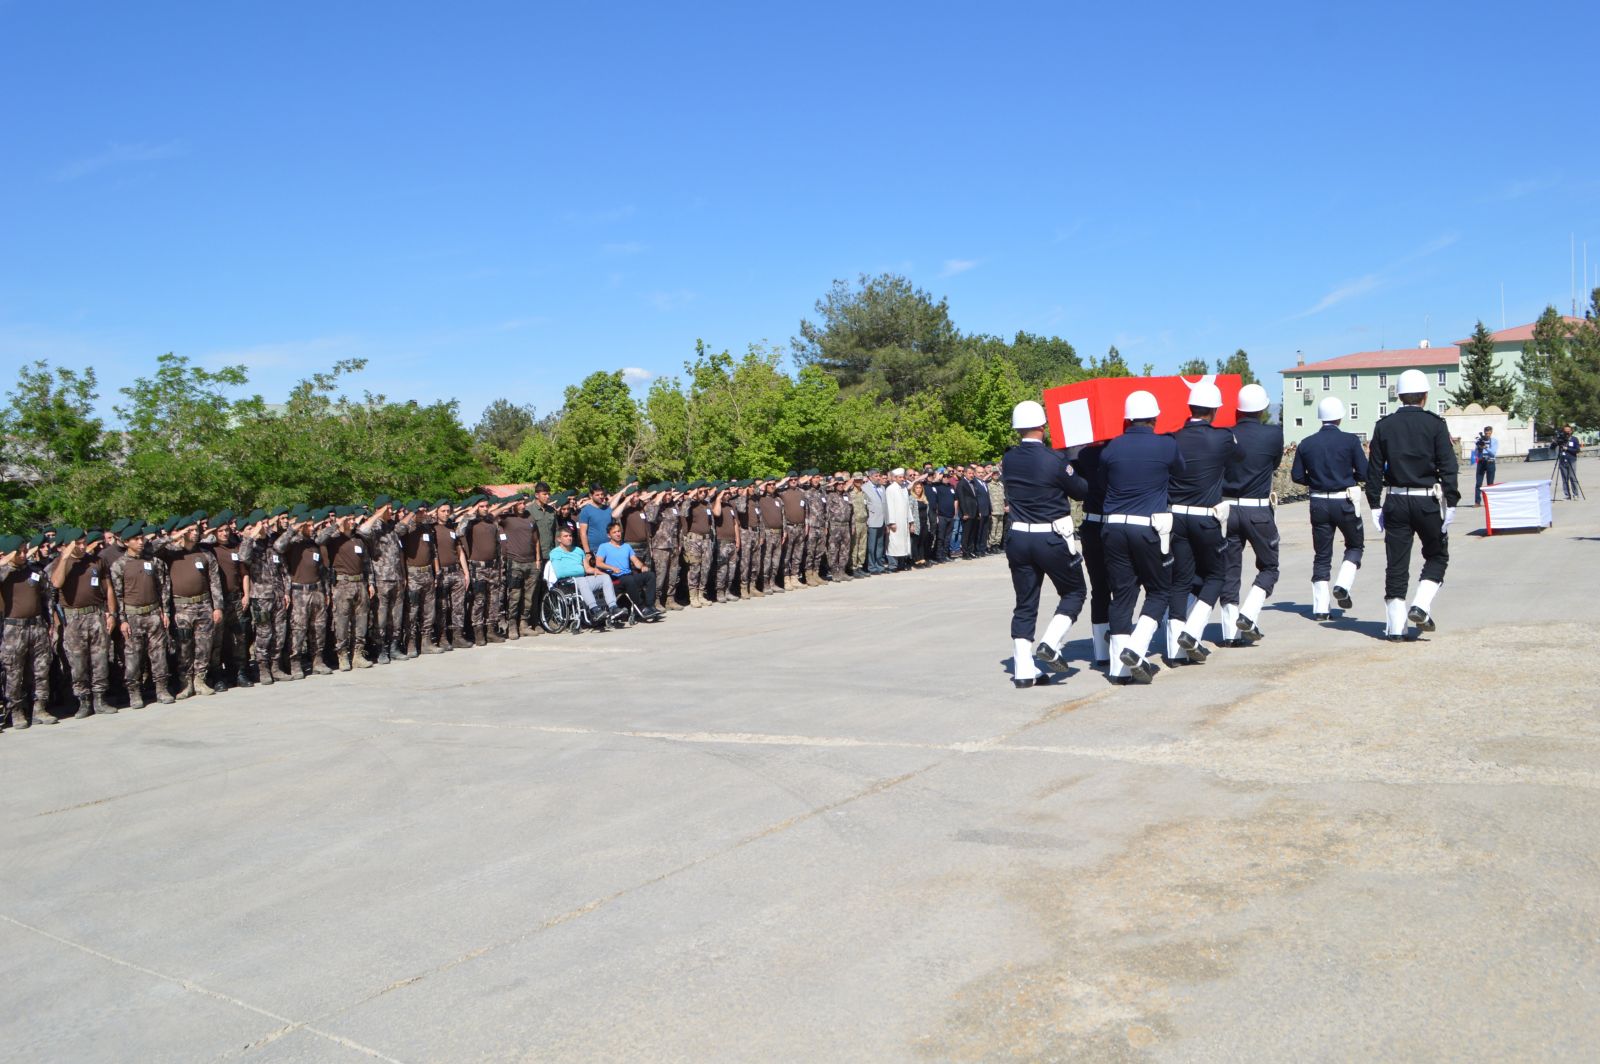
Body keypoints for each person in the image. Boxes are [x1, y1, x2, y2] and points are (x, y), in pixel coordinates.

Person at [1365, 368, 1460, 640]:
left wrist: (1374, 504)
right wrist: (1451, 501)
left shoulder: (1383, 426)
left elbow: (1374, 471)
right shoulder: (1435, 424)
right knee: (1437, 555)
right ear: (1425, 396)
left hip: (1395, 500)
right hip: (1426, 500)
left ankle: (1395, 627)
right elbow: (1448, 467)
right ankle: (1420, 604)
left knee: (1396, 564)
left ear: (1398, 396)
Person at [1100, 390, 1185, 684]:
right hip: (1146, 526)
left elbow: (1103, 479)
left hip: (1112, 527)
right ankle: (1136, 648)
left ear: (1127, 418)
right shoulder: (1166, 445)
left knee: (1122, 595)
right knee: (1160, 590)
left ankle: (1118, 669)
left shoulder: (1111, 447)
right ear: (1155, 416)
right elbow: (1181, 473)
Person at [1000, 401, 1087, 688]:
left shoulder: (1009, 458)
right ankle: (1051, 642)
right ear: (1042, 425)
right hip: (1050, 537)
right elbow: (1079, 491)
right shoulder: (1054, 459)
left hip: (1018, 537)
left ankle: (1023, 668)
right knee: (1075, 591)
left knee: (1025, 603)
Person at [1163, 381, 1242, 664]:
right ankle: (1193, 630)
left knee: (1180, 580)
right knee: (1216, 576)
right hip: (1204, 516)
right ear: (1213, 411)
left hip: (1176, 516)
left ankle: (1174, 650)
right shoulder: (1223, 438)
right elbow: (1238, 457)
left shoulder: (1172, 438)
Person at [1218, 383, 1285, 644]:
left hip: (1228, 510)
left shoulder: (1226, 434)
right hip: (1257, 509)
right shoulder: (1273, 435)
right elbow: (1275, 463)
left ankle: (1229, 632)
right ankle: (1249, 612)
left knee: (1229, 570)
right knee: (1269, 565)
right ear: (1264, 408)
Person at [1291, 396, 1368, 621]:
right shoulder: (1351, 441)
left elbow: (1297, 476)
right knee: (1355, 544)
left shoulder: (1306, 443)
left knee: (1322, 554)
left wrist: (1315, 481)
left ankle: (1321, 608)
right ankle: (1343, 584)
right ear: (1340, 417)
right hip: (1343, 500)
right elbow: (1363, 473)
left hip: (1318, 502)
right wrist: (1348, 477)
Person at [158, 514, 225, 696]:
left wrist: (217, 607)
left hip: (203, 604)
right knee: (184, 647)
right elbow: (151, 549)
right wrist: (174, 536)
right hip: (181, 607)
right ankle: (185, 683)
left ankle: (200, 680)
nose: (195, 534)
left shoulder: (205, 554)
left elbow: (214, 582)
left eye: (197, 530)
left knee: (204, 645)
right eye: (191, 531)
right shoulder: (170, 552)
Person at [110, 524, 177, 704]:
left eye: (142, 538)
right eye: (136, 540)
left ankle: (161, 689)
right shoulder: (119, 566)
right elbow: (117, 596)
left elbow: (163, 587)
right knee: (132, 657)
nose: (141, 542)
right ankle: (134, 692)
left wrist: (165, 612)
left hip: (154, 613)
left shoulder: (153, 562)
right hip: (132, 616)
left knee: (159, 655)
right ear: (126, 542)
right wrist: (122, 620)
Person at [49, 527, 112, 717]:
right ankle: (83, 701)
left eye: (84, 542)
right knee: (78, 662)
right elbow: (56, 583)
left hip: (95, 614)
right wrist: (66, 557)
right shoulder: (59, 563)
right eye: (78, 543)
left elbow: (108, 588)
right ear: (68, 545)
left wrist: (111, 613)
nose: (83, 546)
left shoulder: (96, 561)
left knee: (100, 659)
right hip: (73, 618)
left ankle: (100, 699)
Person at [2, 533, 59, 728]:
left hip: (37, 626)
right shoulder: (4, 573)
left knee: (41, 669)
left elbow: (48, 594)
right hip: (13, 629)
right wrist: (6, 562)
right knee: (14, 671)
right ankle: (17, 711)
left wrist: (49, 620)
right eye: (19, 552)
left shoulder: (34, 572)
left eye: (25, 551)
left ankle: (40, 708)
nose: (24, 555)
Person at [316, 509, 375, 671]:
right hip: (342, 584)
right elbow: (319, 539)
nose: (352, 522)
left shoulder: (358, 539)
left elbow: (366, 563)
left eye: (352, 519)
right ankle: (342, 655)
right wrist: (336, 524)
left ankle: (358, 654)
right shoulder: (334, 539)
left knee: (361, 620)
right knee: (341, 621)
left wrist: (370, 583)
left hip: (360, 582)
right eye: (348, 519)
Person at [1071, 441, 1112, 668]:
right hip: (1112, 524)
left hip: (1091, 524)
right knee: (1122, 587)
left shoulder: (1085, 454)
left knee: (1100, 589)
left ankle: (1101, 651)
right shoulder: (1117, 450)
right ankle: (1117, 641)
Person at [547, 526, 626, 625]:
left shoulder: (578, 551)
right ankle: (594, 610)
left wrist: (600, 572)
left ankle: (613, 607)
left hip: (581, 580)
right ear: (559, 539)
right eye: (565, 536)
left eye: (570, 536)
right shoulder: (555, 553)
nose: (569, 538)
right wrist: (577, 571)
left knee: (605, 578)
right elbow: (560, 572)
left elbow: (587, 568)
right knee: (581, 580)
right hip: (566, 584)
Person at [593, 521, 663, 620]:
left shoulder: (626, 546)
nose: (618, 534)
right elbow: (599, 563)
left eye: (619, 531)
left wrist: (642, 566)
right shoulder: (604, 547)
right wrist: (612, 568)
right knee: (628, 580)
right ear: (609, 535)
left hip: (628, 576)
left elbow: (635, 561)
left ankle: (650, 605)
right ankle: (641, 608)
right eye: (614, 532)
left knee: (650, 575)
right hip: (615, 579)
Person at [885, 468, 913, 569]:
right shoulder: (890, 489)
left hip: (904, 521)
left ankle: (901, 564)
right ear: (895, 478)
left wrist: (910, 521)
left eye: (903, 477)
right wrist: (891, 522)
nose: (902, 479)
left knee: (903, 544)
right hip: (895, 521)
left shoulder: (904, 488)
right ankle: (893, 565)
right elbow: (889, 506)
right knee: (894, 543)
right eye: (900, 477)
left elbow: (907, 506)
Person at [862, 471, 888, 574]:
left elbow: (885, 506)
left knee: (880, 545)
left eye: (879, 476)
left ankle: (879, 566)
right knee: (871, 546)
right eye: (876, 476)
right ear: (870, 477)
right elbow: (864, 506)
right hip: (872, 521)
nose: (878, 478)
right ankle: (871, 567)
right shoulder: (864, 488)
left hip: (882, 521)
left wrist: (887, 521)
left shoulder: (882, 488)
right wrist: (866, 520)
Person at [1472, 426, 1498, 506]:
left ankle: (1490, 502)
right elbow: (1476, 453)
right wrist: (1479, 448)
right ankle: (1477, 502)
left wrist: (1485, 447)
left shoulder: (1494, 441)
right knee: (1478, 483)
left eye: (1489, 433)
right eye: (1486, 433)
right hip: (1481, 462)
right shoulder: (1480, 441)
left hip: (1490, 462)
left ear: (1491, 433)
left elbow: (1493, 453)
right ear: (1484, 432)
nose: (1487, 435)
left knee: (1490, 484)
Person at [1556, 424, 1581, 499]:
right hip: (1562, 460)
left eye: (1568, 431)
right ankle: (1567, 495)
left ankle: (1575, 494)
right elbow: (1552, 447)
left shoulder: (1574, 439)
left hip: (1572, 460)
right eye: (1565, 431)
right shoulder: (1561, 439)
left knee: (1572, 477)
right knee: (1564, 479)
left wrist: (1567, 449)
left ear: (1571, 431)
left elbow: (1577, 450)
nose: (1567, 432)